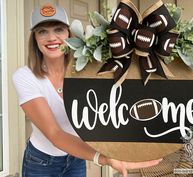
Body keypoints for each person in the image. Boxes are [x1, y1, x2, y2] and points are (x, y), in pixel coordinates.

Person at [12, 4, 162, 177]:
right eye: (42, 31)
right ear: (35, 39)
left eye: (58, 29)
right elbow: (55, 134)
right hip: (41, 162)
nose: (51, 37)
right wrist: (104, 158)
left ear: (69, 33)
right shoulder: (24, 76)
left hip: (77, 158)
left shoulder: (88, 71)